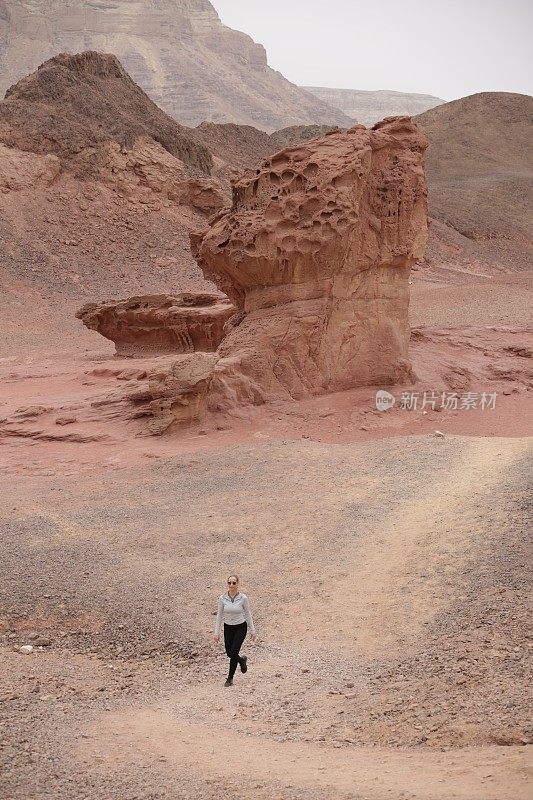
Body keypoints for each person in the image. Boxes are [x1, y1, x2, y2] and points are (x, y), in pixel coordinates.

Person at [213, 574, 256, 687]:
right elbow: (219, 616)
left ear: (237, 584)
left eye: (234, 583)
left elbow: (247, 613)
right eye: (229, 583)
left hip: (240, 627)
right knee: (229, 652)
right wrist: (216, 633)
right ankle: (241, 660)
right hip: (228, 627)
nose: (231, 585)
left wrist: (253, 630)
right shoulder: (222, 598)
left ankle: (230, 678)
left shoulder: (243, 598)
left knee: (234, 652)